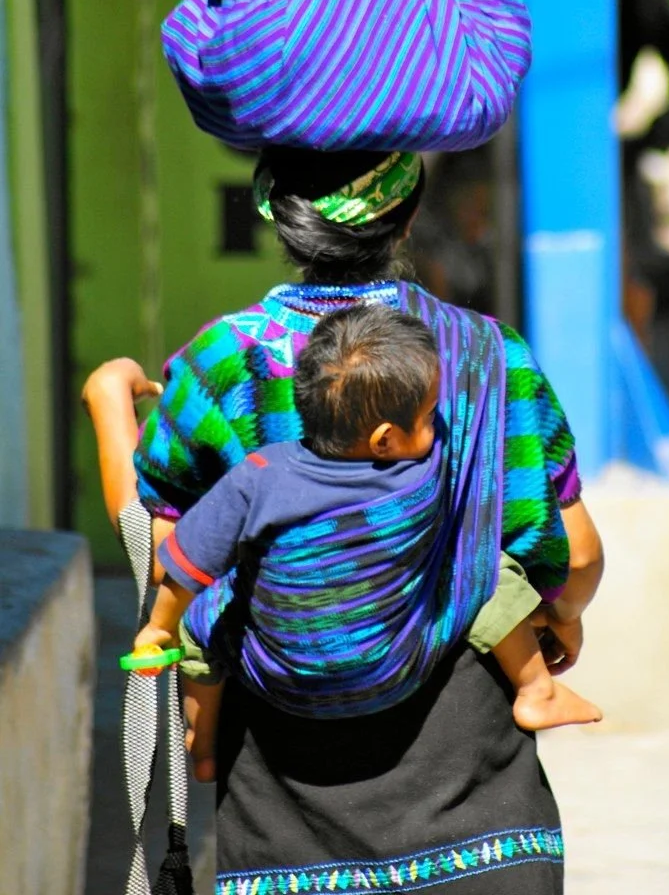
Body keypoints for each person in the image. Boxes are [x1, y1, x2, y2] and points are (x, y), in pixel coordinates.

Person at [83, 145, 604, 895]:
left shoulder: (221, 362)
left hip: (283, 801)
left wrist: (109, 405)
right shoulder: (487, 354)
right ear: (408, 214)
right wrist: (563, 614)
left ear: (277, 215)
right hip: (477, 801)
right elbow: (576, 553)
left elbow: (161, 543)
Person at [132, 303, 600, 782]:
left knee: (201, 623)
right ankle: (536, 689)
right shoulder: (427, 471)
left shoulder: (259, 475)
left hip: (282, 681)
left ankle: (204, 743)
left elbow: (188, 562)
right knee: (485, 571)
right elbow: (555, 543)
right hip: (389, 674)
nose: (438, 426)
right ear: (384, 441)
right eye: (429, 415)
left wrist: (159, 628)